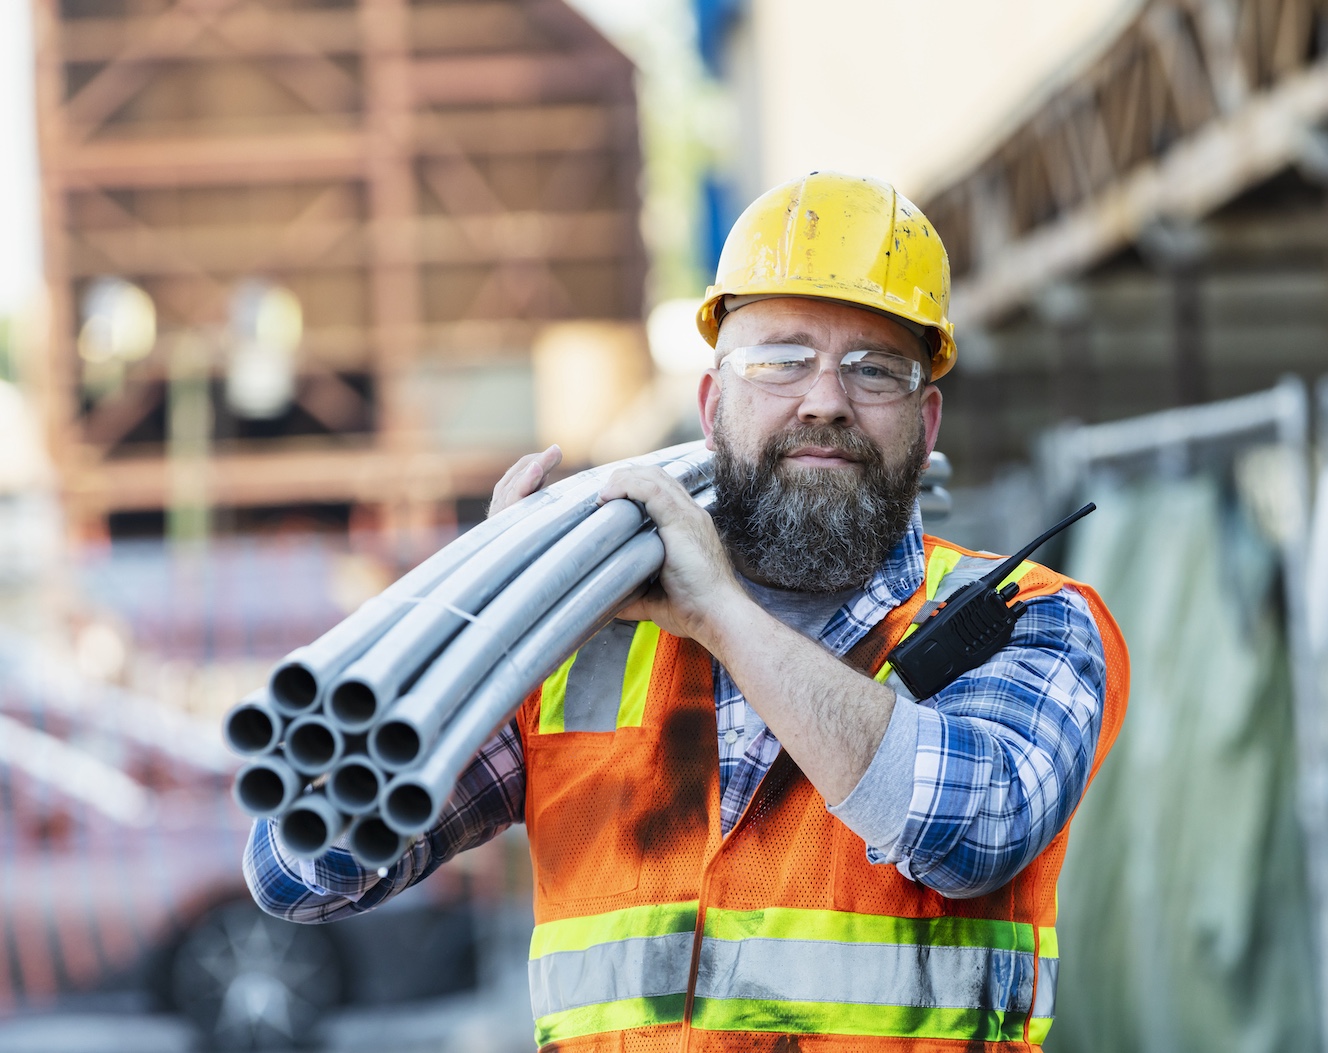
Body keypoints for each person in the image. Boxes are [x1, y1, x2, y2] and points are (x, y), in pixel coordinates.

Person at [246, 171, 1128, 1051]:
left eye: (874, 369)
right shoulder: (587, 640)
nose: (824, 398)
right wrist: (482, 626)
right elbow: (303, 873)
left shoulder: (1033, 622)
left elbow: (975, 829)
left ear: (926, 423)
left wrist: (720, 615)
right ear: (712, 406)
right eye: (779, 359)